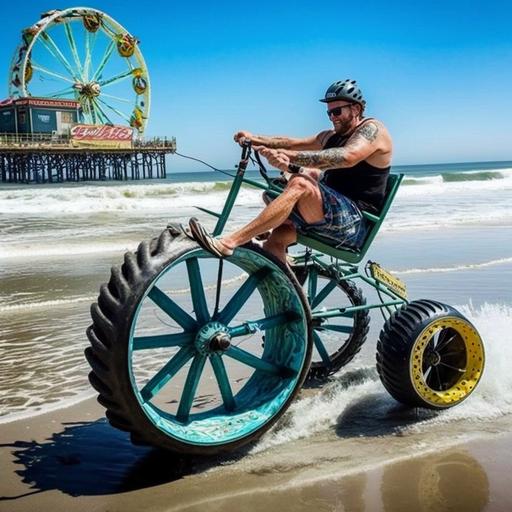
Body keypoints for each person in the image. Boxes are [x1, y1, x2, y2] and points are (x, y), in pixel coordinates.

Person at [189, 79, 393, 264]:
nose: (332, 117)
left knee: (302, 182)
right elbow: (292, 142)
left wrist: (289, 157)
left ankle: (229, 242)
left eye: (337, 112)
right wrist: (255, 138)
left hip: (354, 225)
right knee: (275, 233)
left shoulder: (373, 130)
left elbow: (348, 157)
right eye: (329, 112)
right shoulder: (330, 136)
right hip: (325, 215)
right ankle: (291, 300)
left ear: (356, 109)